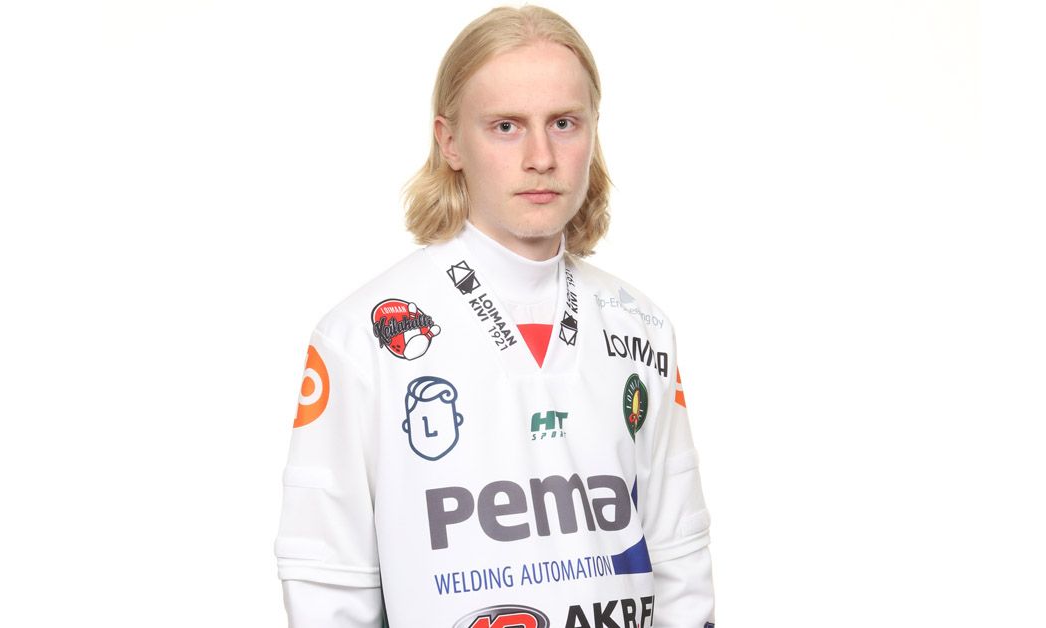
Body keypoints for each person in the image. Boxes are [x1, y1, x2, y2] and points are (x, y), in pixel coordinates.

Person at [274, 6, 715, 627]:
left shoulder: (641, 327)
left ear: (593, 132)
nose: (541, 156)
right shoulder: (361, 337)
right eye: (506, 126)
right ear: (450, 141)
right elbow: (328, 585)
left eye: (564, 123)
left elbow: (680, 562)